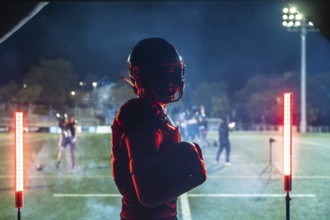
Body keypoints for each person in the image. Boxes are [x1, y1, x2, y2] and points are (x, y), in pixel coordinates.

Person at [111, 38, 207, 220]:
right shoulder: (141, 113)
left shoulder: (154, 110)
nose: (173, 80)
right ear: (141, 75)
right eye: (166, 73)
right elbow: (149, 196)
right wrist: (194, 177)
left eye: (175, 71)